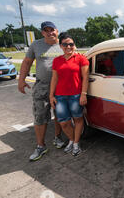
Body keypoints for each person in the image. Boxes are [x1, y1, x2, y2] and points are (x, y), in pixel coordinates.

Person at [18, 21, 65, 161]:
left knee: (59, 114)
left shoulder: (64, 44)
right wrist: (21, 80)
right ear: (42, 33)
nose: (50, 32)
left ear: (57, 30)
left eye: (52, 29)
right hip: (42, 86)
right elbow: (27, 62)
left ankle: (57, 138)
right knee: (40, 116)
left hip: (61, 86)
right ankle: (40, 146)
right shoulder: (36, 45)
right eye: (46, 30)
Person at [49, 33, 89, 156]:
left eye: (71, 44)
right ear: (61, 46)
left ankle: (76, 143)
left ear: (74, 45)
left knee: (78, 119)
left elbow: (85, 77)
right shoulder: (57, 60)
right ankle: (71, 140)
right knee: (63, 122)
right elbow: (54, 79)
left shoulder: (81, 59)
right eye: (65, 44)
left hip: (76, 95)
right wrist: (51, 95)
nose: (68, 46)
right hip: (60, 96)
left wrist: (83, 94)